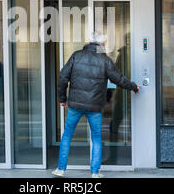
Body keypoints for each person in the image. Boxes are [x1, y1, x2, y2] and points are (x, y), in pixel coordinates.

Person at [52, 31, 140, 178]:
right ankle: (94, 172)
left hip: (75, 105)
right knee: (96, 138)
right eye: (103, 43)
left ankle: (61, 169)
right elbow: (119, 79)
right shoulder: (104, 60)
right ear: (100, 44)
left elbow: (63, 77)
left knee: (67, 135)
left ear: (89, 41)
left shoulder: (76, 55)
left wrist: (62, 98)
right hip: (95, 106)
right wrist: (133, 86)